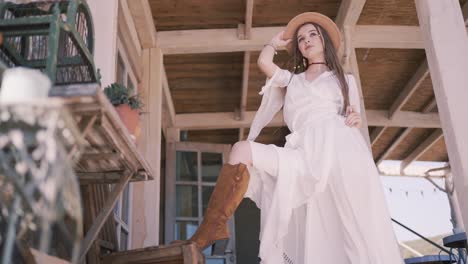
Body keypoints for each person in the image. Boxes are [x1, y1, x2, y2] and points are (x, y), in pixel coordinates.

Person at [178, 12, 403, 264]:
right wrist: (274, 43)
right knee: (242, 149)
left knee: (350, 224)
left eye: (312, 34)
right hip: (301, 153)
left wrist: (355, 118)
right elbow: (264, 63)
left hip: (338, 150)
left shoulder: (345, 79)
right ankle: (213, 226)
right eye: (300, 38)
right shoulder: (292, 80)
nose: (306, 40)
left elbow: (355, 115)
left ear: (324, 40)